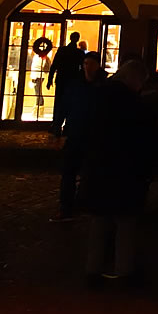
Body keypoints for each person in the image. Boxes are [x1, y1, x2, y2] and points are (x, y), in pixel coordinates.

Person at [79, 57, 157, 285]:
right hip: (124, 173)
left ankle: (92, 271)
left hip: (98, 169)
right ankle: (124, 271)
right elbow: (144, 139)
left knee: (99, 222)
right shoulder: (134, 104)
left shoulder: (99, 96)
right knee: (125, 224)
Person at [52, 51, 106, 222]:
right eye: (86, 64)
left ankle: (84, 203)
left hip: (94, 136)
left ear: (98, 66)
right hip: (75, 133)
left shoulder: (104, 87)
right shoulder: (75, 85)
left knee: (90, 172)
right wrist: (57, 128)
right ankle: (67, 206)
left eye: (91, 64)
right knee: (69, 172)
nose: (88, 67)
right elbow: (64, 106)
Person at [48, 32, 86, 136]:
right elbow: (82, 69)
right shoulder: (79, 53)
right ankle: (67, 127)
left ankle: (56, 126)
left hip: (61, 80)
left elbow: (54, 65)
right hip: (73, 81)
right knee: (71, 104)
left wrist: (50, 79)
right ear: (77, 39)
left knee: (59, 103)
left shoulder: (62, 50)